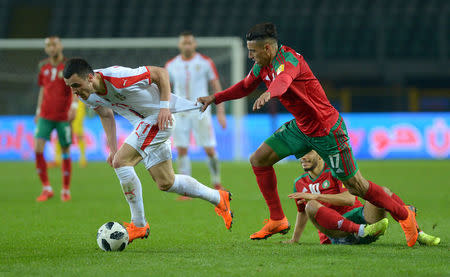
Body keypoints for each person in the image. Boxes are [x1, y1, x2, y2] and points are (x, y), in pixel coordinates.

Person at [198, 22, 419, 246]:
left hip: (326, 130)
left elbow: (283, 83)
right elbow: (245, 86)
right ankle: (277, 219)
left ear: (267, 49)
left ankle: (404, 215)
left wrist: (269, 93)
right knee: (259, 159)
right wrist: (214, 99)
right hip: (301, 128)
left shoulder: (290, 61)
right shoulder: (262, 67)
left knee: (356, 186)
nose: (249, 55)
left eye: (253, 51)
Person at [63, 58, 233, 243]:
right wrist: (112, 150)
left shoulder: (119, 78)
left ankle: (139, 224)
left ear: (90, 77)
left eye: (76, 85)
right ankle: (218, 197)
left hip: (158, 118)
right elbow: (105, 113)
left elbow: (161, 73)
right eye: (70, 87)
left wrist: (164, 108)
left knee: (122, 162)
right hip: (144, 123)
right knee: (166, 182)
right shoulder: (86, 95)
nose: (74, 91)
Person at [284, 150, 441, 246]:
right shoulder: (299, 183)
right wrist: (294, 239)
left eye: (308, 153)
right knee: (310, 206)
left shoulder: (335, 172)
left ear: (319, 154)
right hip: (336, 234)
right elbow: (302, 212)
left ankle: (418, 233)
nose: (303, 157)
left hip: (362, 218)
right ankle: (360, 231)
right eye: (300, 155)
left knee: (384, 192)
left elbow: (350, 199)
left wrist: (317, 196)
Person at [165, 31, 227, 194]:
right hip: (179, 112)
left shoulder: (205, 62)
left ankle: (217, 182)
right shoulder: (171, 65)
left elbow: (216, 87)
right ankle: (186, 189)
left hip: (201, 110)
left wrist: (220, 112)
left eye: (189, 42)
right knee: (182, 149)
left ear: (195, 44)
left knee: (209, 149)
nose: (187, 45)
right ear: (179, 45)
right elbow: (165, 90)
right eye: (184, 43)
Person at [34, 36, 77, 202]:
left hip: (62, 117)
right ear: (46, 49)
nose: (51, 48)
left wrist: (73, 107)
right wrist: (38, 110)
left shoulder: (67, 65)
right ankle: (46, 188)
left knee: (65, 150)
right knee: (38, 149)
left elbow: (74, 87)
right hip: (45, 115)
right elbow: (43, 89)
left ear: (60, 46)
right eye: (48, 45)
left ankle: (65, 190)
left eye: (54, 44)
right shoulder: (42, 66)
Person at [53, 99, 88, 168]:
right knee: (61, 132)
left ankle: (83, 158)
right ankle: (57, 159)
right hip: (66, 106)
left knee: (79, 134)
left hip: (78, 109)